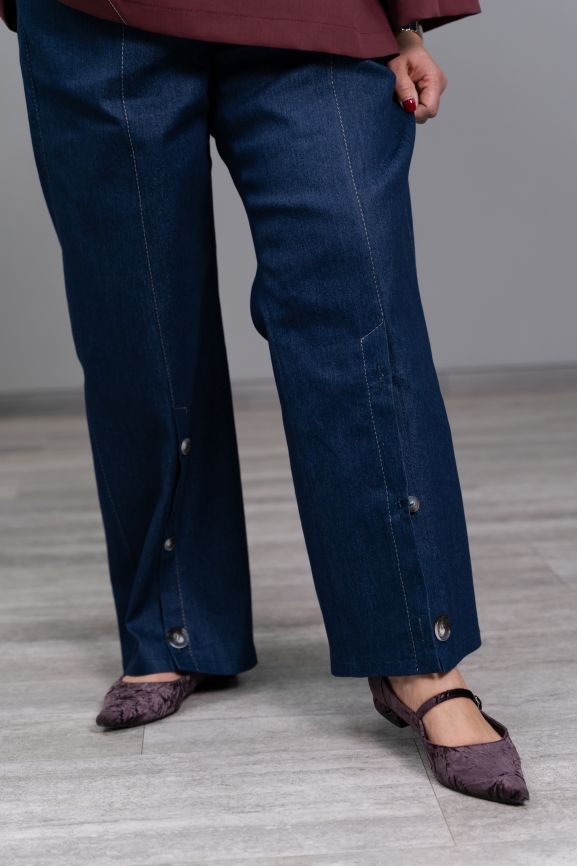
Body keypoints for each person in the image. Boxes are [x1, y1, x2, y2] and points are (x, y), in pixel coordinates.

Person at [2, 0, 529, 804]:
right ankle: (175, 626)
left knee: (354, 296)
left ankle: (418, 652)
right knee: (137, 322)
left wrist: (408, 17)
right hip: (94, 19)